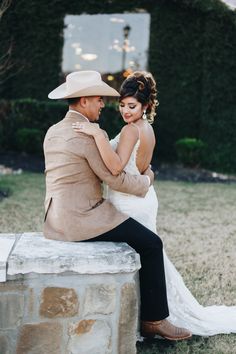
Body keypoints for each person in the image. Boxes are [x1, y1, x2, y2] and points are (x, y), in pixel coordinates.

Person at [72, 71, 236, 336]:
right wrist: (147, 178)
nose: (125, 111)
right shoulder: (146, 128)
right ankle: (154, 314)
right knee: (148, 255)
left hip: (129, 202)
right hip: (144, 197)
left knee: (142, 255)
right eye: (122, 105)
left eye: (132, 106)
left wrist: (97, 135)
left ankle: (152, 317)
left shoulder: (130, 131)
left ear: (146, 106)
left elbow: (115, 168)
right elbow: (144, 168)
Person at [43, 70, 192, 340]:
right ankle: (154, 320)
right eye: (99, 99)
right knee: (151, 243)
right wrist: (148, 180)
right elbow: (116, 178)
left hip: (53, 219)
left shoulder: (53, 131)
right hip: (82, 219)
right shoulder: (87, 134)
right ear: (85, 100)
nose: (103, 104)